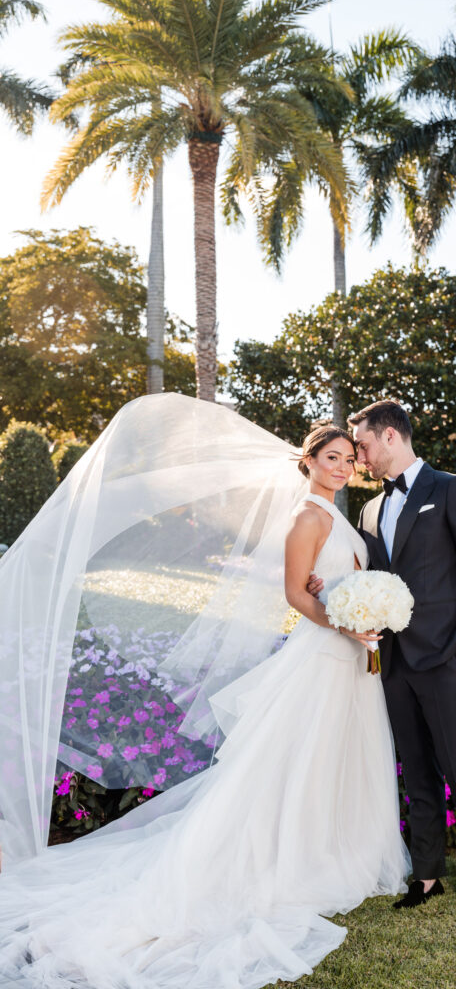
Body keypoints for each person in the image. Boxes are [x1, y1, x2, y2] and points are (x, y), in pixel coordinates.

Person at [0, 409, 410, 988]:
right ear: (309, 462)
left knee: (333, 756)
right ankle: (291, 857)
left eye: (348, 459)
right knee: (296, 760)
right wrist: (346, 623)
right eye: (331, 458)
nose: (343, 468)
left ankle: (336, 848)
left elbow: (325, 584)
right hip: (322, 657)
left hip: (350, 661)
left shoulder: (338, 517)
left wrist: (356, 606)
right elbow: (295, 593)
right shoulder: (307, 516)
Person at [309, 400, 456, 927]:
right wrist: (323, 587)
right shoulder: (369, 511)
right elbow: (367, 580)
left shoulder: (450, 489)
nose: (361, 459)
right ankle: (427, 875)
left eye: (366, 447)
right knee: (416, 771)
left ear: (391, 436)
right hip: (392, 662)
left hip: (445, 657)